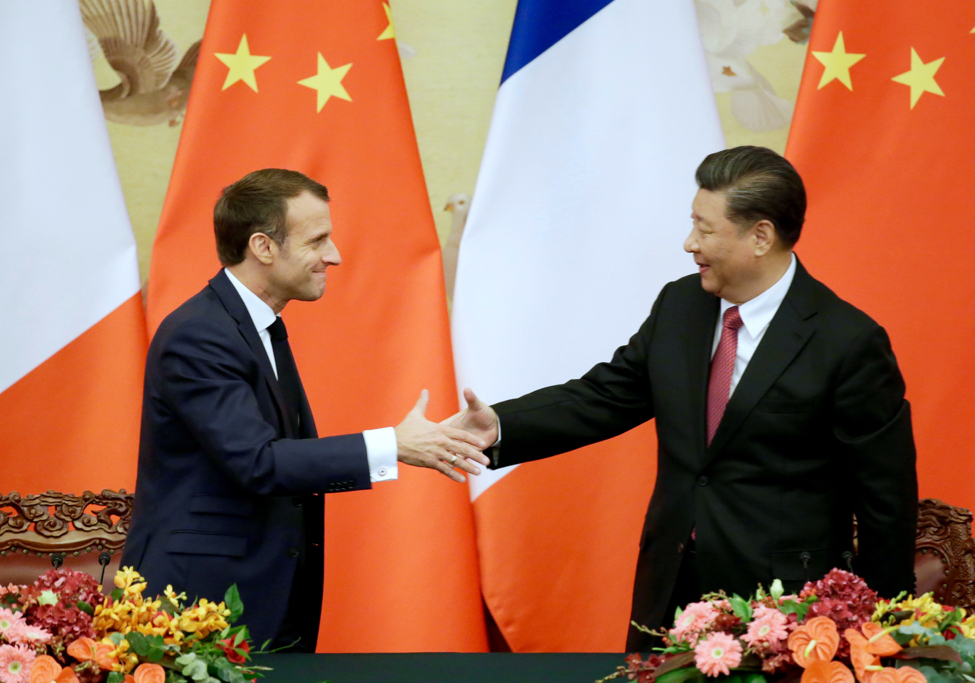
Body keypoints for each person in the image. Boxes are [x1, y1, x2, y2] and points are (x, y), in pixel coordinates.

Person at [446, 146, 918, 651]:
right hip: (669, 585)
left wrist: (879, 630)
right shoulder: (681, 305)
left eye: (705, 229)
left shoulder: (847, 341)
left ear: (761, 236)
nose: (690, 243)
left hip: (782, 605)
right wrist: (500, 426)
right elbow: (606, 395)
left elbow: (885, 499)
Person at [121, 169, 489, 652]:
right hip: (198, 601)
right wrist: (393, 445)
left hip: (263, 593)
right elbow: (258, 462)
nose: (333, 256)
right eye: (317, 240)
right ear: (263, 247)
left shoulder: (257, 325)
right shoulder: (200, 335)